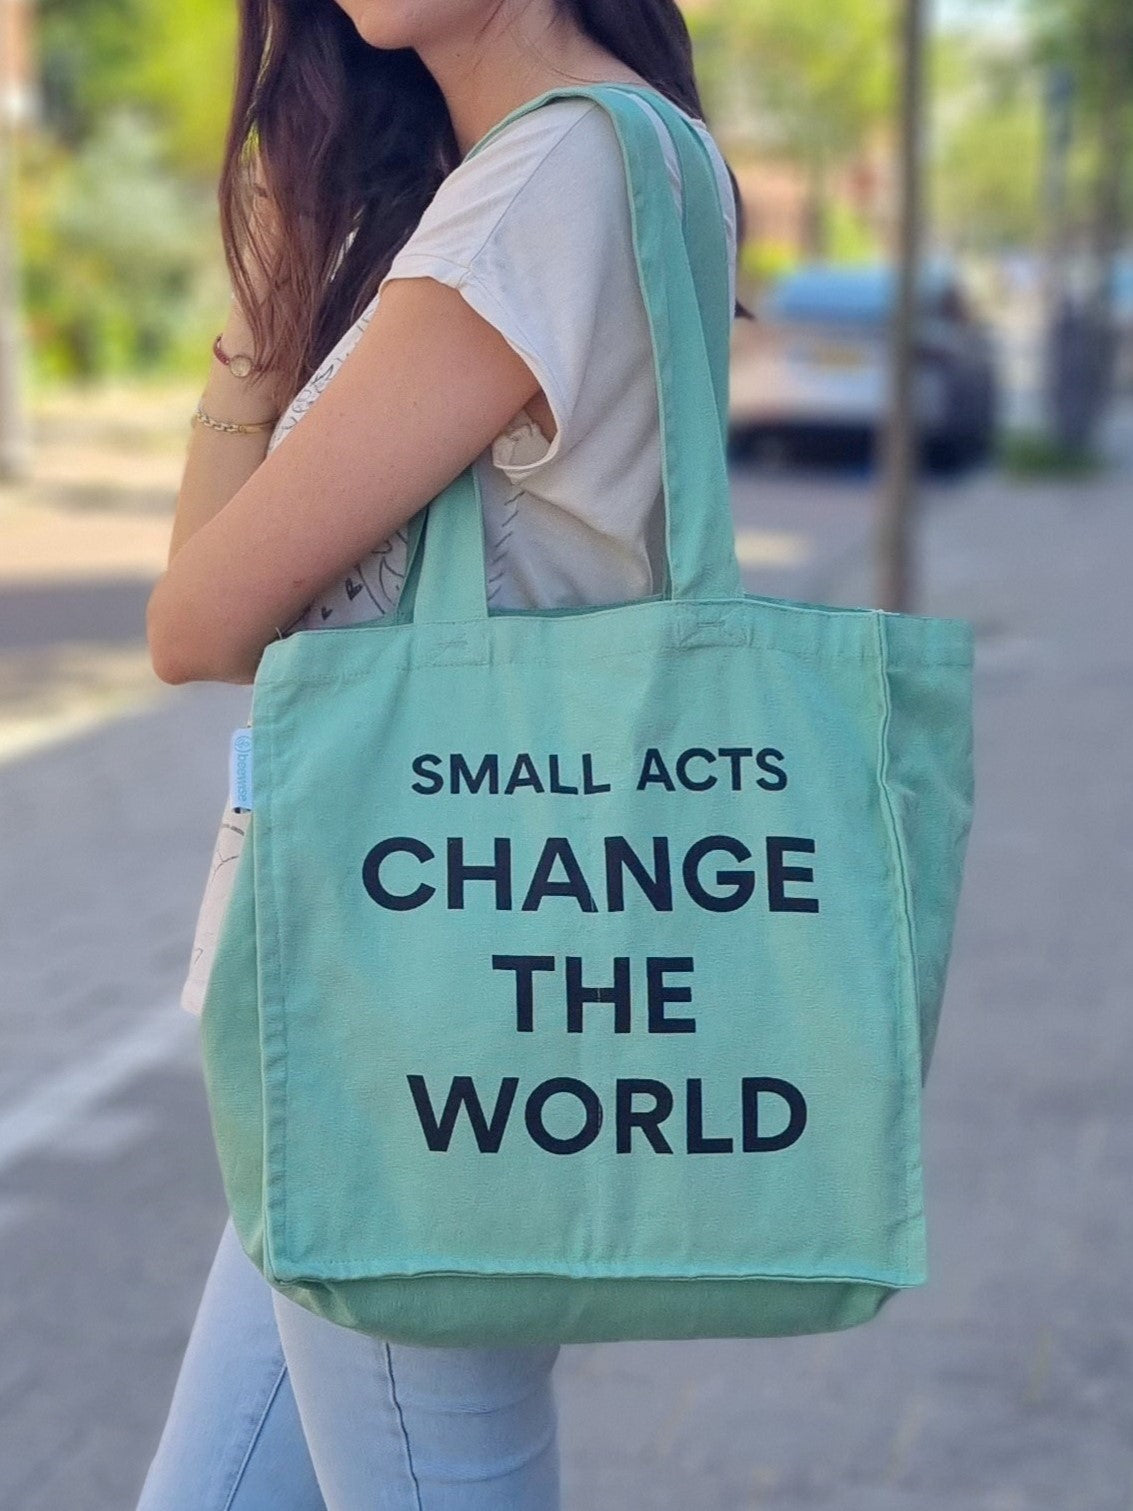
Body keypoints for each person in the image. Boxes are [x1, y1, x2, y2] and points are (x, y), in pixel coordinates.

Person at [140, 1, 740, 1505]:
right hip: (403, 1006)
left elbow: (197, 618)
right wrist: (295, 262)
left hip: (421, 1009)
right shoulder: (612, 159)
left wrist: (273, 290)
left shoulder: (552, 182)